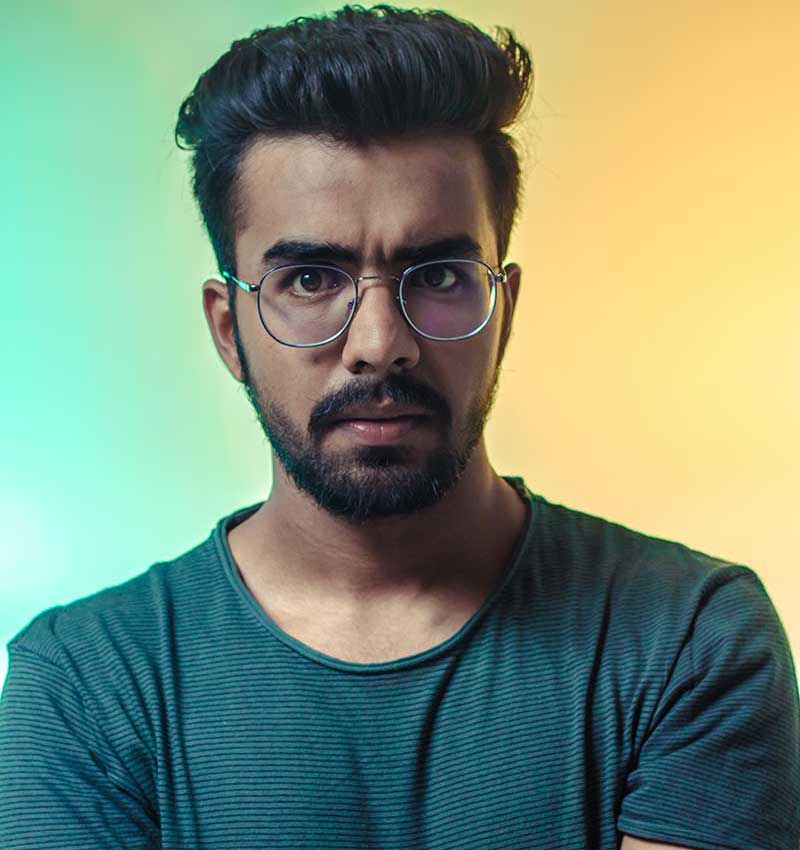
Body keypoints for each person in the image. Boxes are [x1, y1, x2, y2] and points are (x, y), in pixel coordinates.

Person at [0, 5, 797, 849]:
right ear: (229, 330)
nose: (380, 345)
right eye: (311, 280)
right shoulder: (85, 683)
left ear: (503, 311)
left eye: (439, 275)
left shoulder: (689, 637)